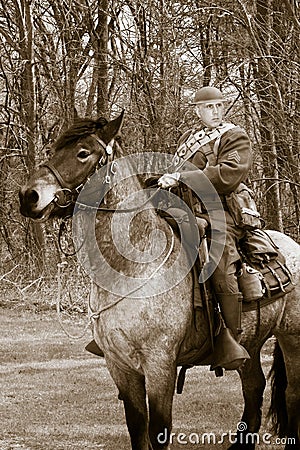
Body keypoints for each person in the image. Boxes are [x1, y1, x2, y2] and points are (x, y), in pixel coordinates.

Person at [158, 86, 252, 370]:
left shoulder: (234, 136)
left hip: (223, 212)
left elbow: (228, 174)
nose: (216, 112)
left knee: (218, 262)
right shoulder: (191, 139)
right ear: (197, 110)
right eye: (210, 107)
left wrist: (182, 177)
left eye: (220, 106)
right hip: (190, 212)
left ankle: (229, 337)